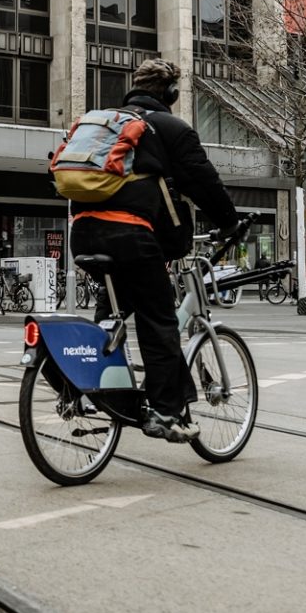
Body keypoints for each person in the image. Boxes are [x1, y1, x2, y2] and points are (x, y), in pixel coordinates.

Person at [68, 58, 240, 444]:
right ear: (173, 94)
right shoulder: (169, 127)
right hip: (131, 236)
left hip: (83, 233)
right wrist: (229, 222)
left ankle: (93, 388)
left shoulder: (105, 124)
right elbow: (203, 181)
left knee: (112, 310)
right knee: (158, 319)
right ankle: (164, 413)